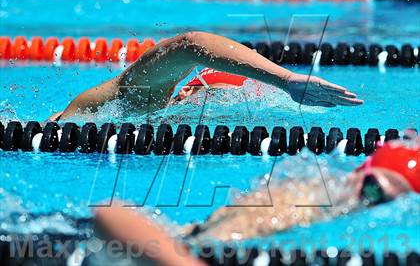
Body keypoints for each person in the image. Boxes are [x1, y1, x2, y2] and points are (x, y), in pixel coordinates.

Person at [94, 138, 419, 265]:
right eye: (375, 191)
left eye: (388, 203)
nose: (373, 205)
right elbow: (111, 214)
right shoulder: (302, 202)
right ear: (358, 174)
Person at [49, 32, 363, 121]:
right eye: (211, 99)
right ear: (187, 93)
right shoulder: (139, 100)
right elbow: (191, 45)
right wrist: (285, 80)